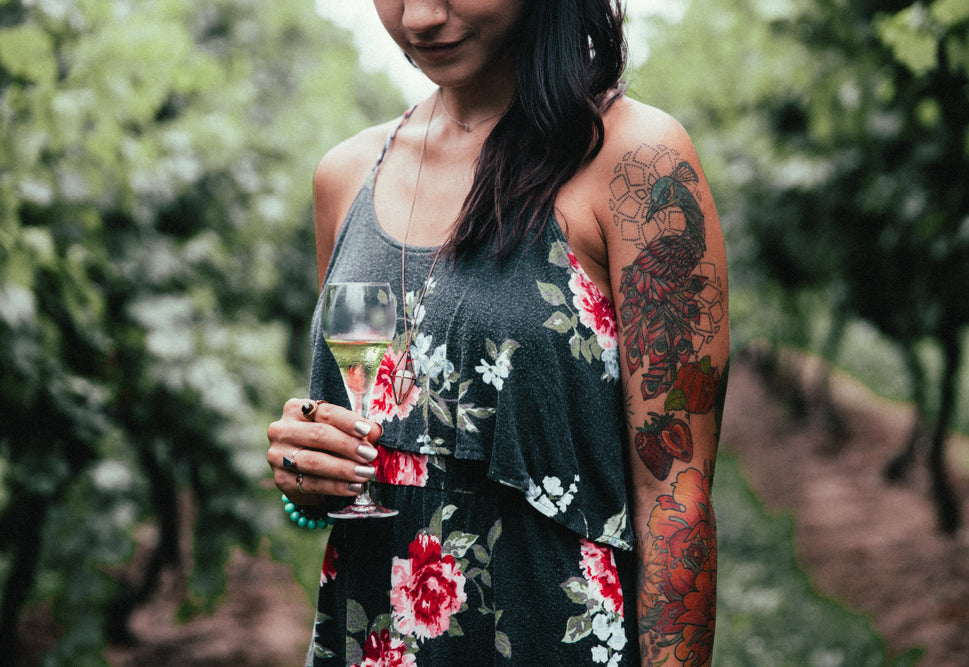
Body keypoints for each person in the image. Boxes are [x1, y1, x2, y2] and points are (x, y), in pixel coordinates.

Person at [267, 1, 729, 664]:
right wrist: (308, 480)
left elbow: (675, 496)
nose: (420, 16)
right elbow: (372, 446)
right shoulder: (345, 177)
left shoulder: (636, 163)